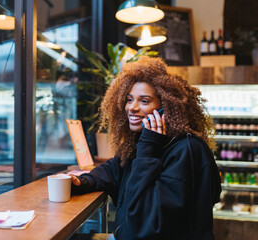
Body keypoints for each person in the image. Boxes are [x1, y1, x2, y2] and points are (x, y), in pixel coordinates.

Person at [70, 56, 221, 240]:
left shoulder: (186, 150)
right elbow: (115, 169)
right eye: (129, 99)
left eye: (144, 101)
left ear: (166, 108)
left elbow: (149, 224)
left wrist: (148, 147)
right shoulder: (143, 142)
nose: (132, 108)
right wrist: (84, 181)